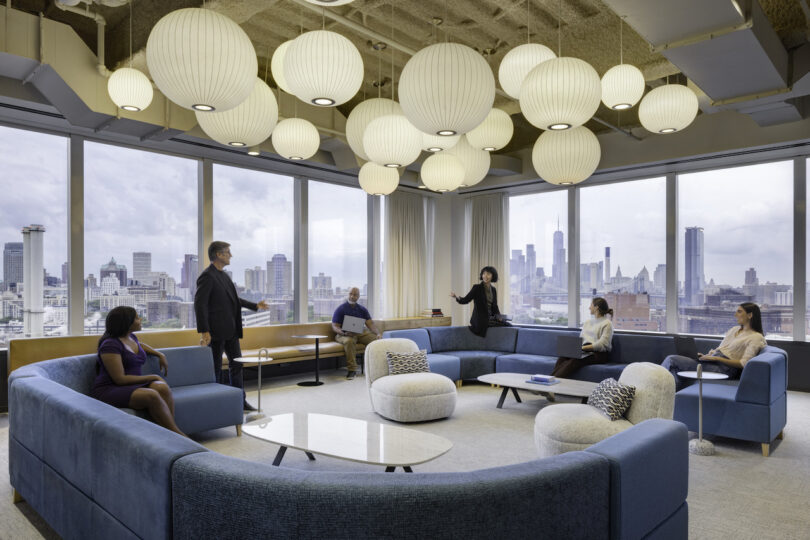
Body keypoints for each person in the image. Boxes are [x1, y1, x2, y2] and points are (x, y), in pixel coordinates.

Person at [195, 241, 268, 411]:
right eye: (228, 252)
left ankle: (239, 400)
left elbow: (235, 300)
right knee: (216, 369)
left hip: (231, 331)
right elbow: (200, 305)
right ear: (219, 255)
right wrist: (204, 331)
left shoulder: (225, 276)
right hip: (215, 332)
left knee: (237, 365)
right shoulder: (207, 276)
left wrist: (255, 306)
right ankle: (217, 403)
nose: (231, 255)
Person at [90, 306, 186, 436]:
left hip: (131, 385)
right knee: (151, 395)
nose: (140, 319)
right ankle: (178, 436)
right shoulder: (110, 344)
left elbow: (139, 346)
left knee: (162, 387)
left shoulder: (131, 338)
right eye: (136, 317)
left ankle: (169, 430)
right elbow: (120, 379)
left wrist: (159, 354)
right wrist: (153, 376)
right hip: (110, 388)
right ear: (127, 322)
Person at [662, 302, 767, 391]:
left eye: (739, 312)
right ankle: (673, 399)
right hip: (713, 362)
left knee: (671, 360)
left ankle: (656, 390)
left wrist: (716, 358)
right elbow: (720, 349)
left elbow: (743, 363)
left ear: (750, 315)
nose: (735, 315)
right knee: (675, 370)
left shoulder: (756, 337)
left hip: (726, 369)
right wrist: (706, 356)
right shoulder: (734, 329)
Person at [551, 297, 614, 378]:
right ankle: (551, 380)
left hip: (598, 354)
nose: (589, 307)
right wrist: (575, 348)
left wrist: (583, 348)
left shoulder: (607, 323)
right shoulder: (587, 322)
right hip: (584, 350)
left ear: (596, 307)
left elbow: (603, 344)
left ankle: (551, 384)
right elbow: (581, 340)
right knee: (563, 356)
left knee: (575, 360)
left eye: (591, 305)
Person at [332, 287, 381, 379]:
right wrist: (343, 333)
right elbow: (335, 326)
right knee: (349, 341)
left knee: (376, 340)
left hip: (359, 333)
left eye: (355, 295)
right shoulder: (341, 309)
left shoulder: (362, 309)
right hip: (343, 334)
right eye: (350, 294)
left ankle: (377, 367)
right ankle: (352, 370)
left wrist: (378, 333)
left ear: (358, 296)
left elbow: (370, 324)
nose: (352, 296)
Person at [450, 266, 505, 337]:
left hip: (490, 318)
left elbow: (494, 306)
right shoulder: (477, 288)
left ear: (492, 276)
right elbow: (466, 300)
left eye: (488, 274)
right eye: (484, 274)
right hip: (480, 319)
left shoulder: (493, 290)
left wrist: (499, 316)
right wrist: (456, 297)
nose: (485, 276)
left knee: (505, 323)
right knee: (495, 325)